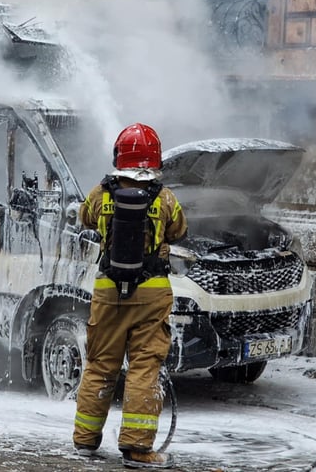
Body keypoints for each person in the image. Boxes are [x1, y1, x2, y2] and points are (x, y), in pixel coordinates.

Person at [72, 123, 187, 469]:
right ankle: (137, 448)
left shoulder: (101, 193)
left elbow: (84, 217)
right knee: (143, 368)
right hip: (150, 294)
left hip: (108, 292)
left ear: (119, 157)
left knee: (100, 365)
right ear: (153, 161)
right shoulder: (164, 197)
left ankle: (85, 440)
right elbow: (180, 229)